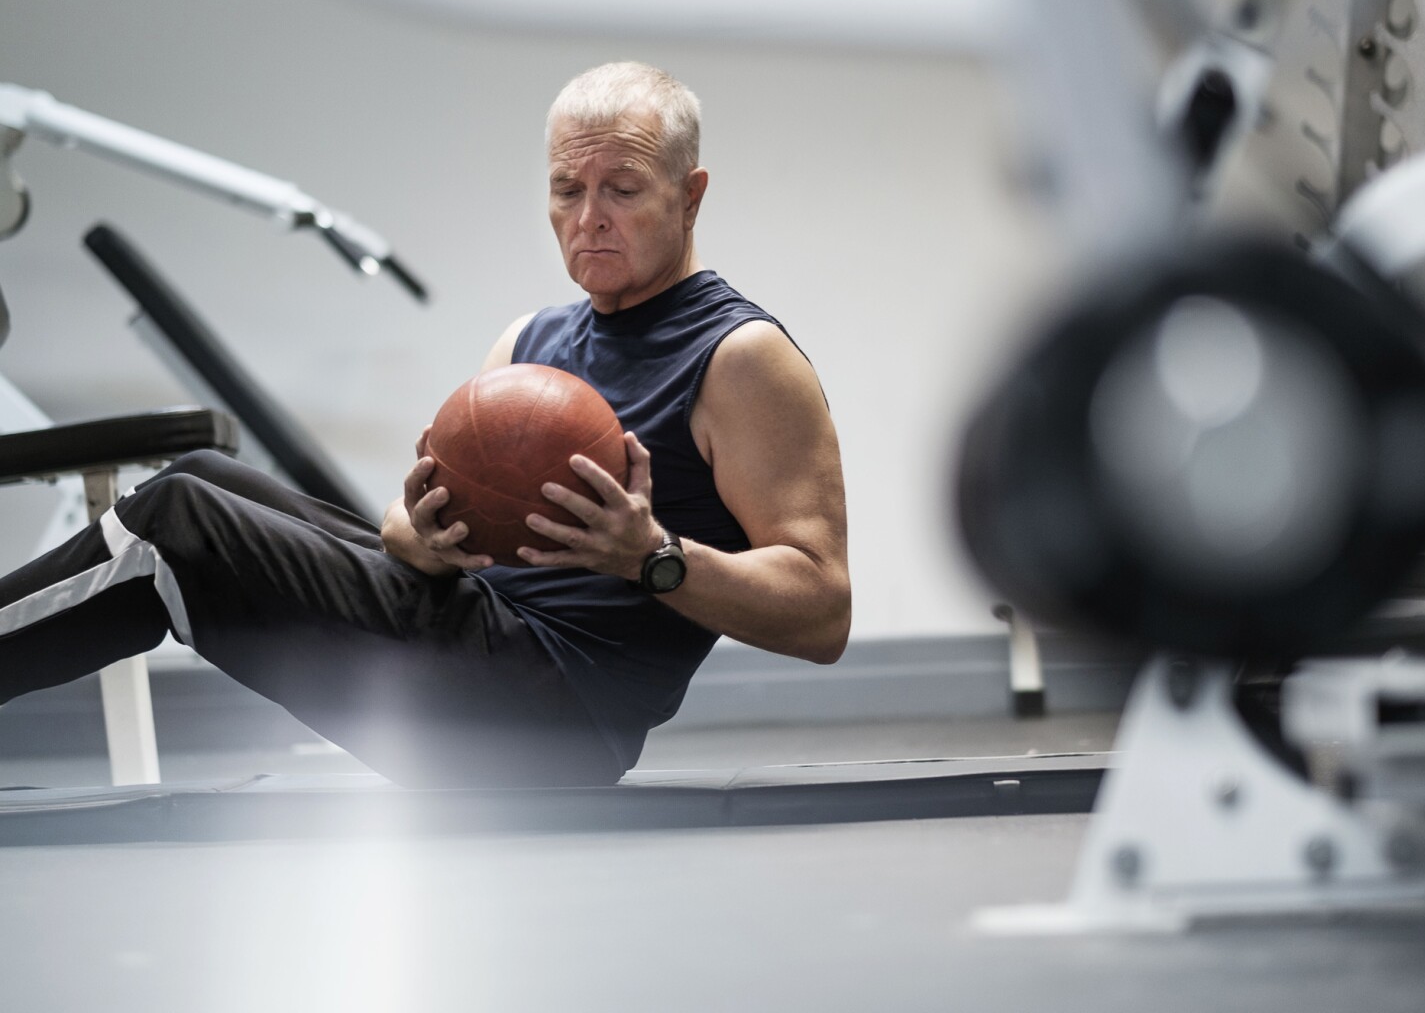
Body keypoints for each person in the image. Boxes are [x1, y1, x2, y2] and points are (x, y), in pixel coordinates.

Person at [0, 62, 850, 788]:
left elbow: (822, 612)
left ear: (690, 195)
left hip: (551, 713)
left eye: (622, 191)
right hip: (474, 634)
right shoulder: (530, 340)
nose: (589, 216)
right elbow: (408, 531)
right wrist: (418, 533)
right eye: (567, 189)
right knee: (200, 480)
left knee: (173, 526)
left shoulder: (740, 357)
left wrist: (653, 560)